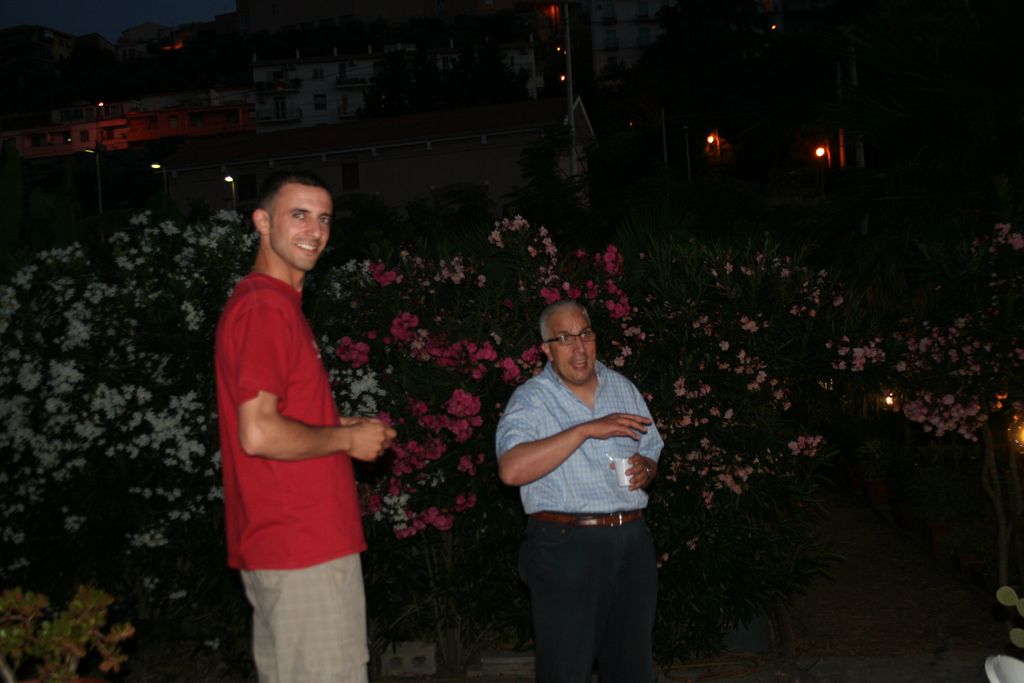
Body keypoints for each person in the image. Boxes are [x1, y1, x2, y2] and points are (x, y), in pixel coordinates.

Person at [215, 169, 396, 683]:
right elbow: (259, 432)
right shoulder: (265, 307)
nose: (314, 231)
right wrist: (347, 438)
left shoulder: (274, 305)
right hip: (302, 545)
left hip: (291, 545)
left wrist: (334, 424)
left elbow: (274, 418)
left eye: (324, 218)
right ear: (261, 221)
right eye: (298, 215)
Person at [495, 299, 664, 683]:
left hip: (631, 540)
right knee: (566, 668)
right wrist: (586, 430)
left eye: (585, 334)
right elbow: (511, 469)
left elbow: (652, 447)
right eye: (565, 338)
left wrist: (647, 468)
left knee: (632, 668)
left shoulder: (622, 388)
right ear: (547, 349)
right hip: (566, 545)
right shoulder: (532, 400)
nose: (579, 347)